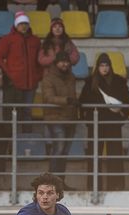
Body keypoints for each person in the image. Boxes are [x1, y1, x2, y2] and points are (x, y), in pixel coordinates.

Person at [79, 53, 129, 191]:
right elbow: (82, 102)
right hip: (95, 125)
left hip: (113, 124)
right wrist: (88, 121)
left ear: (110, 66)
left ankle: (115, 186)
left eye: (106, 65)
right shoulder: (90, 82)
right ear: (98, 67)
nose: (104, 68)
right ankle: (94, 187)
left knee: (115, 155)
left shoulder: (119, 81)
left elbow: (127, 102)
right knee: (94, 156)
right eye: (102, 65)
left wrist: (121, 118)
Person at [0, 11, 43, 131]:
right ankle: (12, 137)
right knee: (14, 111)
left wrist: (38, 75)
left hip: (31, 83)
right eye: (21, 24)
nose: (23, 26)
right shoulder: (7, 39)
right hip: (14, 83)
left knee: (27, 111)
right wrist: (7, 74)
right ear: (16, 25)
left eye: (26, 23)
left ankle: (26, 137)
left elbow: (40, 59)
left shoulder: (36, 40)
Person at [41, 51, 78, 181]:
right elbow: (48, 98)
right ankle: (51, 183)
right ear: (56, 63)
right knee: (59, 149)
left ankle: (60, 182)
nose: (65, 64)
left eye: (67, 61)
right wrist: (67, 100)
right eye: (62, 62)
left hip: (70, 118)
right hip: (55, 118)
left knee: (64, 152)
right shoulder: (48, 78)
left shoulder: (71, 77)